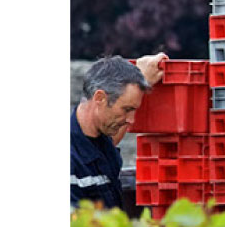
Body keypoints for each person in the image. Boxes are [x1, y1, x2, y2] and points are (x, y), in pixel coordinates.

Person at [71, 54, 166, 210]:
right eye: (127, 109)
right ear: (100, 98)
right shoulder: (71, 160)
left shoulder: (98, 142)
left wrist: (142, 79)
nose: (131, 120)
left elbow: (110, 140)